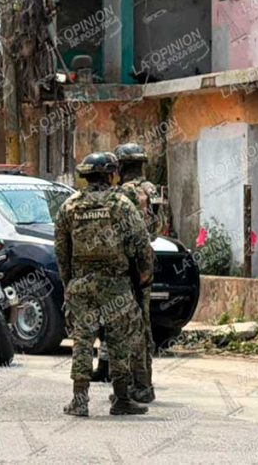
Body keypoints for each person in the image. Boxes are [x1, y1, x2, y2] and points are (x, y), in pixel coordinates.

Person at [54, 152, 153, 417]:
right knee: (120, 342)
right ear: (110, 175)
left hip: (81, 286)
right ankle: (121, 398)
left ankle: (80, 400)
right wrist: (144, 276)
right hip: (117, 286)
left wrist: (69, 284)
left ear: (86, 176)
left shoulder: (69, 207)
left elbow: (62, 254)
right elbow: (142, 244)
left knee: (83, 342)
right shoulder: (121, 204)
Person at [115, 142, 161, 403]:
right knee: (143, 324)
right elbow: (160, 225)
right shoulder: (151, 189)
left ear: (121, 166)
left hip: (126, 264)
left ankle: (136, 384)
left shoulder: (122, 193)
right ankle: (145, 383)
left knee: (126, 326)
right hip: (147, 262)